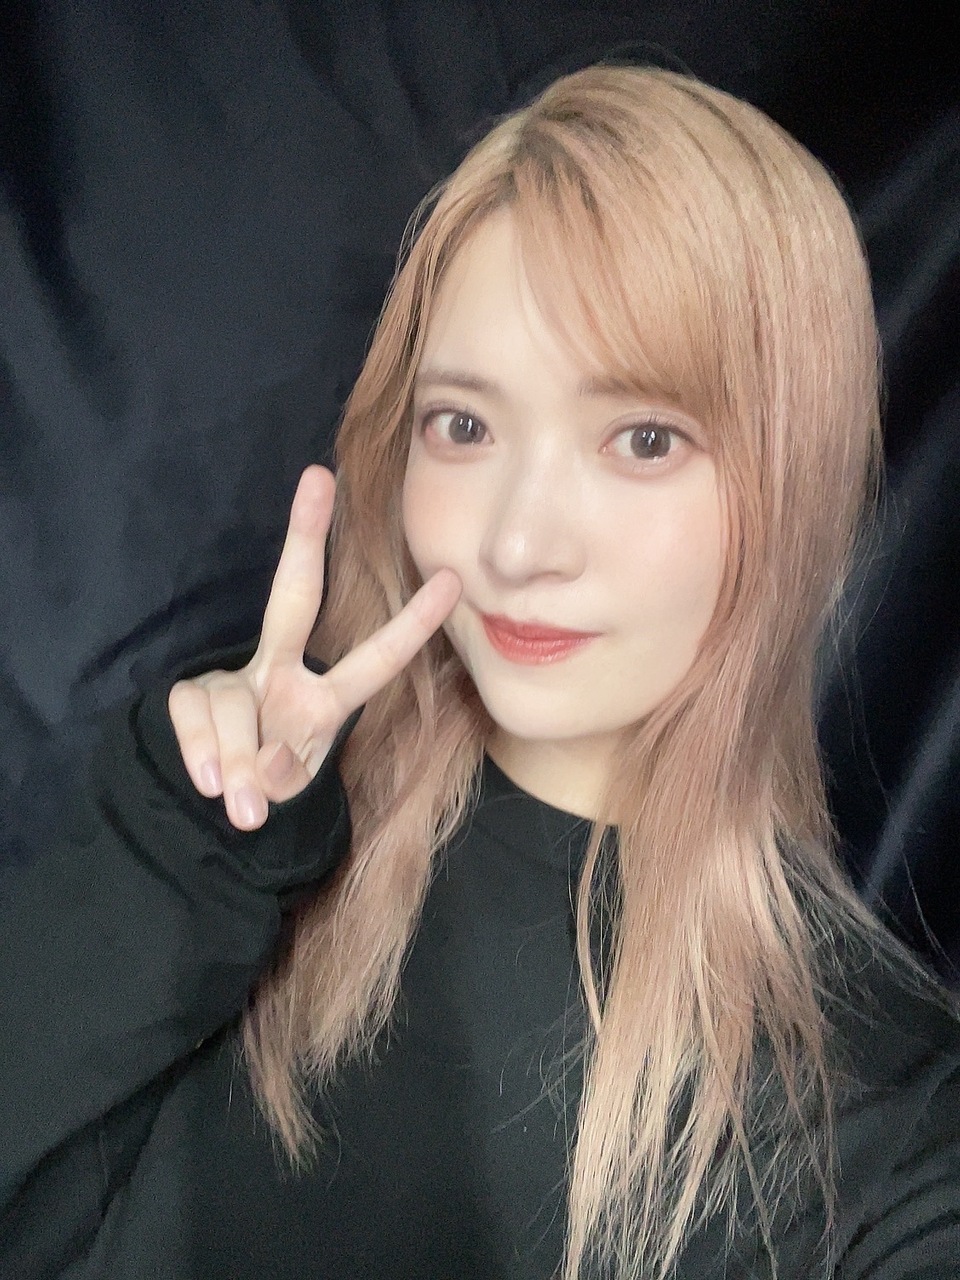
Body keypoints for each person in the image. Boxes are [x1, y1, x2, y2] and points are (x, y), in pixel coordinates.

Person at [2, 63, 959, 1280]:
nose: (514, 544)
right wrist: (187, 845)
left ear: (797, 478)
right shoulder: (236, 837)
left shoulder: (892, 1116)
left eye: (644, 438)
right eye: (463, 425)